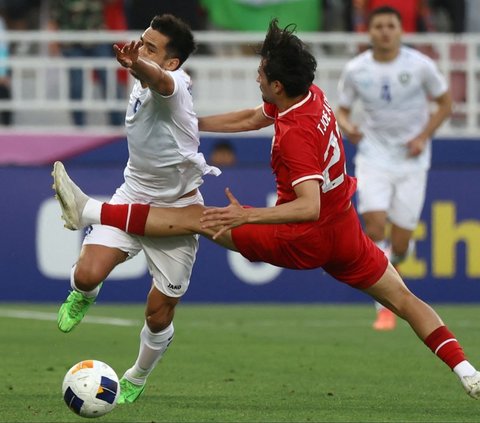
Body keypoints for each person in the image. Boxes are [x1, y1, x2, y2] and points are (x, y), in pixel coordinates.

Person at [52, 18, 480, 401]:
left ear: (277, 84)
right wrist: (189, 124)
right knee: (404, 299)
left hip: (300, 237)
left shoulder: (294, 134)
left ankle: (91, 210)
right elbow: (252, 119)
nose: (256, 78)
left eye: (260, 74)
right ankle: (467, 371)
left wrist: (247, 216)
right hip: (345, 230)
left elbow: (307, 207)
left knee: (204, 219)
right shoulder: (308, 95)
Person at [54, 14, 220, 404]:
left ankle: (137, 375)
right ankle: (83, 294)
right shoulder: (143, 81)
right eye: (141, 42)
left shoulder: (173, 84)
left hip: (177, 212)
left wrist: (138, 64)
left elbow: (159, 80)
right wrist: (139, 65)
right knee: (86, 273)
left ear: (172, 62)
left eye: (151, 48)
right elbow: (149, 78)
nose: (141, 50)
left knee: (158, 314)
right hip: (132, 196)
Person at [336, 6, 452, 331]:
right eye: (379, 26)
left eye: (390, 26)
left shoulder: (420, 66)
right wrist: (349, 127)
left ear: (401, 30)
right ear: (369, 31)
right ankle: (383, 307)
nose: (385, 31)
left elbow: (445, 104)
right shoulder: (357, 69)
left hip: (412, 159)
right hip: (373, 155)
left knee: (400, 243)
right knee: (374, 227)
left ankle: (396, 261)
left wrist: (423, 136)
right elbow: (342, 110)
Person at [48, 0, 125, 126]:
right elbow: (53, 15)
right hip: (72, 41)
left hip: (97, 37)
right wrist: (53, 40)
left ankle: (117, 124)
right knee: (77, 85)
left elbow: (112, 3)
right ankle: (79, 126)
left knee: (109, 80)